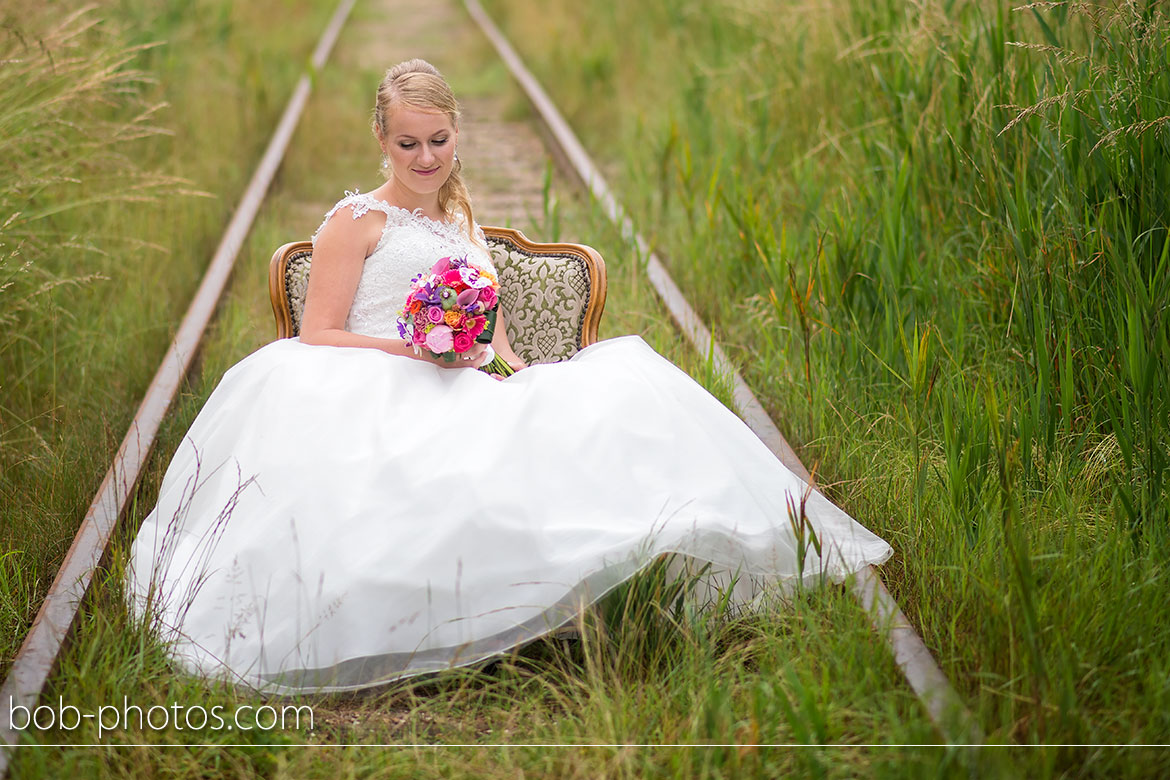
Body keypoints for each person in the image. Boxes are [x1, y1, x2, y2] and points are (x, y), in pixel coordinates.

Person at [128, 59, 891, 694]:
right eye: (407, 144)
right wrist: (421, 354)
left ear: (457, 133)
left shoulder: (458, 222)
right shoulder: (355, 221)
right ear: (382, 142)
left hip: (464, 375)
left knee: (622, 380)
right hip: (375, 378)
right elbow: (320, 333)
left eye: (438, 140)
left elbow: (489, 324)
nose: (426, 158)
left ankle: (667, 557)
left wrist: (503, 365)